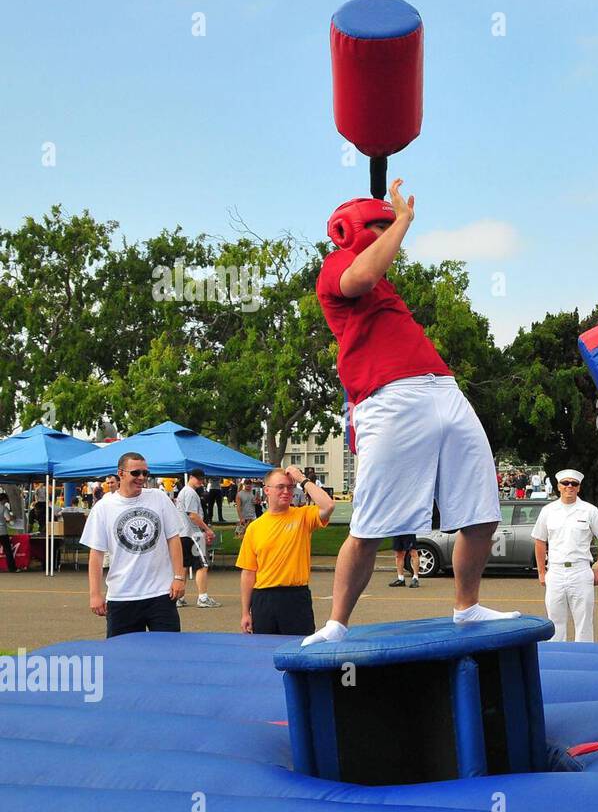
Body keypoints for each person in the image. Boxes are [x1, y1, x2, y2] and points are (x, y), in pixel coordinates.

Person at [303, 179, 515, 647]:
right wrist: (402, 220)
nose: (388, 234)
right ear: (351, 231)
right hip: (390, 398)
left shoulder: (386, 285)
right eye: (377, 226)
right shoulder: (337, 267)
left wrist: (395, 222)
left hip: (444, 388)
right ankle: (337, 623)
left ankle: (467, 606)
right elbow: (360, 277)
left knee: (481, 512)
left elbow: (375, 272)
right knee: (368, 525)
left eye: (389, 226)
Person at [82, 452, 185, 637]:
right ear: (120, 473)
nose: (142, 478)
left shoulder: (159, 498)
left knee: (169, 654)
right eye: (136, 473)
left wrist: (179, 577)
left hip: (160, 594)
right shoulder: (103, 508)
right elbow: (96, 555)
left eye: (146, 473)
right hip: (122, 596)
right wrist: (95, 594)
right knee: (123, 657)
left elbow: (173, 538)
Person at [237, 465, 334, 635]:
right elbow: (248, 572)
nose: (286, 491)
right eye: (280, 487)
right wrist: (245, 612)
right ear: (267, 490)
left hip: (295, 597)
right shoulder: (255, 527)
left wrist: (301, 479)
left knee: (298, 652)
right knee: (263, 652)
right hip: (263, 598)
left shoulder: (302, 516)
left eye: (290, 487)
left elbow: (328, 506)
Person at [531, 469, 598, 642]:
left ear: (579, 488)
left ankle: (583, 660)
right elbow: (539, 541)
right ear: (558, 487)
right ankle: (557, 660)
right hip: (556, 571)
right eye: (565, 483)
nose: (569, 487)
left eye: (574, 484)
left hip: (580, 571)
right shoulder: (548, 511)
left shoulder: (589, 511)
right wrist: (541, 572)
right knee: (554, 622)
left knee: (584, 622)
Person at [175, 470, 221, 609]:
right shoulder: (189, 492)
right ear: (191, 477)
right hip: (192, 534)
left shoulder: (185, 492)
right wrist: (207, 529)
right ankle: (202, 597)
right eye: (198, 479)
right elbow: (193, 515)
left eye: (202, 479)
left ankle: (179, 597)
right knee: (202, 565)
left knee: (184, 566)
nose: (201, 481)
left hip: (184, 534)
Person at [0, 493, 18, 573]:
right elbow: (8, 518)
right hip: (2, 531)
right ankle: (12, 568)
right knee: (7, 550)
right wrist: (13, 517)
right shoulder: (3, 508)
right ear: (4, 499)